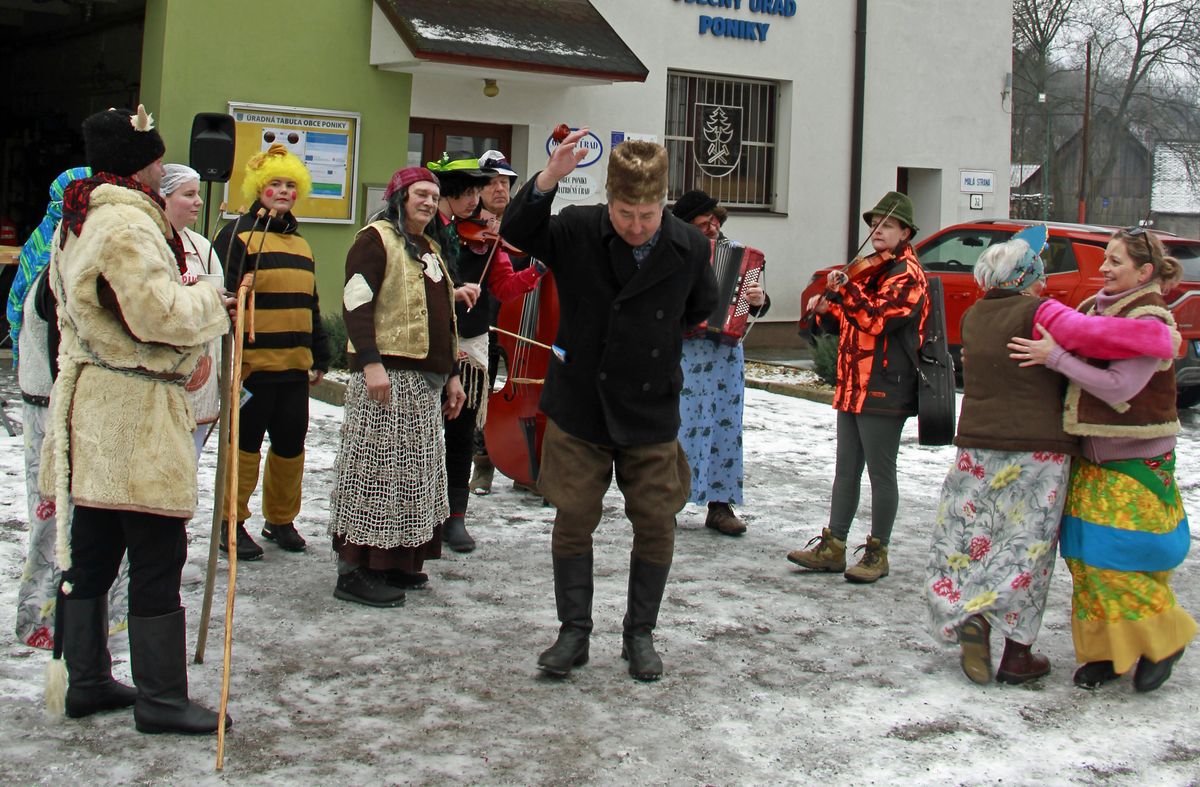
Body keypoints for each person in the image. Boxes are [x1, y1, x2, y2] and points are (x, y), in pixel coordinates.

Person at [40, 105, 232, 733]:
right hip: (133, 413)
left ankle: (86, 681)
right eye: (156, 156)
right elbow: (156, 315)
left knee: (93, 550)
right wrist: (211, 300)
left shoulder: (83, 215)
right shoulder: (125, 223)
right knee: (155, 553)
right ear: (138, 161)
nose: (161, 165)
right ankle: (161, 698)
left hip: (97, 405)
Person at [501, 133, 717, 681]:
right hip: (581, 403)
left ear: (662, 203)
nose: (636, 226)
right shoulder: (577, 228)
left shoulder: (690, 246)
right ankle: (573, 632)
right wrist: (549, 178)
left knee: (657, 521)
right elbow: (516, 232)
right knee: (573, 517)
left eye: (647, 215)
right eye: (625, 213)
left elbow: (700, 307)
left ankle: (639, 635)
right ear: (610, 199)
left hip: (650, 408)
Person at [925, 232, 1179, 685]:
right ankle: (1021, 654)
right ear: (1027, 279)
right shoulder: (1044, 311)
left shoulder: (975, 314)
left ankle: (975, 615)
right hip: (1040, 452)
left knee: (976, 540)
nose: (1046, 283)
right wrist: (1160, 338)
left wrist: (1065, 353)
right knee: (1032, 550)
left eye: (1114, 260)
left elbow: (1113, 374)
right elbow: (1090, 336)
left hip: (980, 447)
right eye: (1040, 275)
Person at [1009, 227, 1196, 692]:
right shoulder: (1096, 308)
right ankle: (1109, 652)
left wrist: (1056, 358)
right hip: (1090, 459)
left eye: (1116, 261)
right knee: (1085, 562)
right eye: (1106, 259)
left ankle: (1164, 637)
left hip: (1133, 464)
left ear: (1144, 272)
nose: (1105, 269)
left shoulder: (1149, 318)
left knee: (1115, 558)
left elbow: (1119, 388)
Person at [328, 167, 466, 607]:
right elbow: (355, 301)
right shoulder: (375, 239)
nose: (428, 202)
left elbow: (443, 316)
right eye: (420, 194)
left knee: (409, 477)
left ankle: (395, 562)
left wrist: (453, 374)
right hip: (386, 377)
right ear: (399, 197)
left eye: (434, 196)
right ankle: (355, 570)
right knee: (373, 474)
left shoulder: (429, 248)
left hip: (424, 381)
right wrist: (370, 362)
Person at [8, 167, 131, 649]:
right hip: (54, 403)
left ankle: (60, 615)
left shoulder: (48, 248)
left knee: (64, 516)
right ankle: (45, 618)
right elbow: (61, 339)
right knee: (56, 517)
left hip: (45, 397)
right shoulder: (58, 256)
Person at [786, 192, 928, 583]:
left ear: (905, 233)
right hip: (853, 383)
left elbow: (877, 319)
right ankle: (833, 546)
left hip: (885, 385)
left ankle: (878, 552)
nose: (877, 231)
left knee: (881, 474)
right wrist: (825, 310)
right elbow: (848, 321)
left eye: (887, 225)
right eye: (874, 225)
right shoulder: (873, 271)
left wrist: (847, 292)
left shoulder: (907, 275)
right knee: (845, 469)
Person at [214, 144, 332, 560]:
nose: (283, 191)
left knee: (290, 445)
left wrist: (320, 354)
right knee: (245, 447)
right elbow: (222, 300)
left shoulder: (301, 244)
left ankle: (280, 519)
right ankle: (231, 521)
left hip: (294, 368)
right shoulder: (237, 236)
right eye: (275, 184)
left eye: (290, 185)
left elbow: (310, 304)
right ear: (258, 189)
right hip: (253, 368)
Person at [426, 152, 545, 553]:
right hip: (428, 344)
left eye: (477, 193)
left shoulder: (487, 236)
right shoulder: (426, 231)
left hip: (472, 344)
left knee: (461, 433)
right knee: (423, 433)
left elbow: (506, 288)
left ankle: (455, 516)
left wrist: (535, 272)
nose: (474, 200)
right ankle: (422, 513)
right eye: (469, 192)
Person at [670, 189, 768, 535]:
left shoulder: (740, 254)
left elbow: (753, 305)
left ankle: (720, 505)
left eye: (714, 221)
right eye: (702, 224)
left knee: (725, 426)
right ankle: (666, 504)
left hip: (725, 355)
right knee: (679, 427)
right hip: (685, 350)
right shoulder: (674, 252)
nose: (711, 228)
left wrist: (758, 300)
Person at [160, 163, 223, 587]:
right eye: (188, 194)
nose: (198, 202)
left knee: (186, 472)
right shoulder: (149, 243)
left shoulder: (201, 246)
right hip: (161, 383)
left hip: (200, 386)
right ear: (164, 197)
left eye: (198, 193)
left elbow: (217, 306)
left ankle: (172, 551)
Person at [469, 149, 523, 496]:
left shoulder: (524, 222)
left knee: (524, 392)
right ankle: (483, 463)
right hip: (483, 322)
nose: (500, 188)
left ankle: (525, 462)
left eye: (505, 182)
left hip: (522, 324)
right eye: (492, 183)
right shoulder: (469, 225)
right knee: (482, 395)